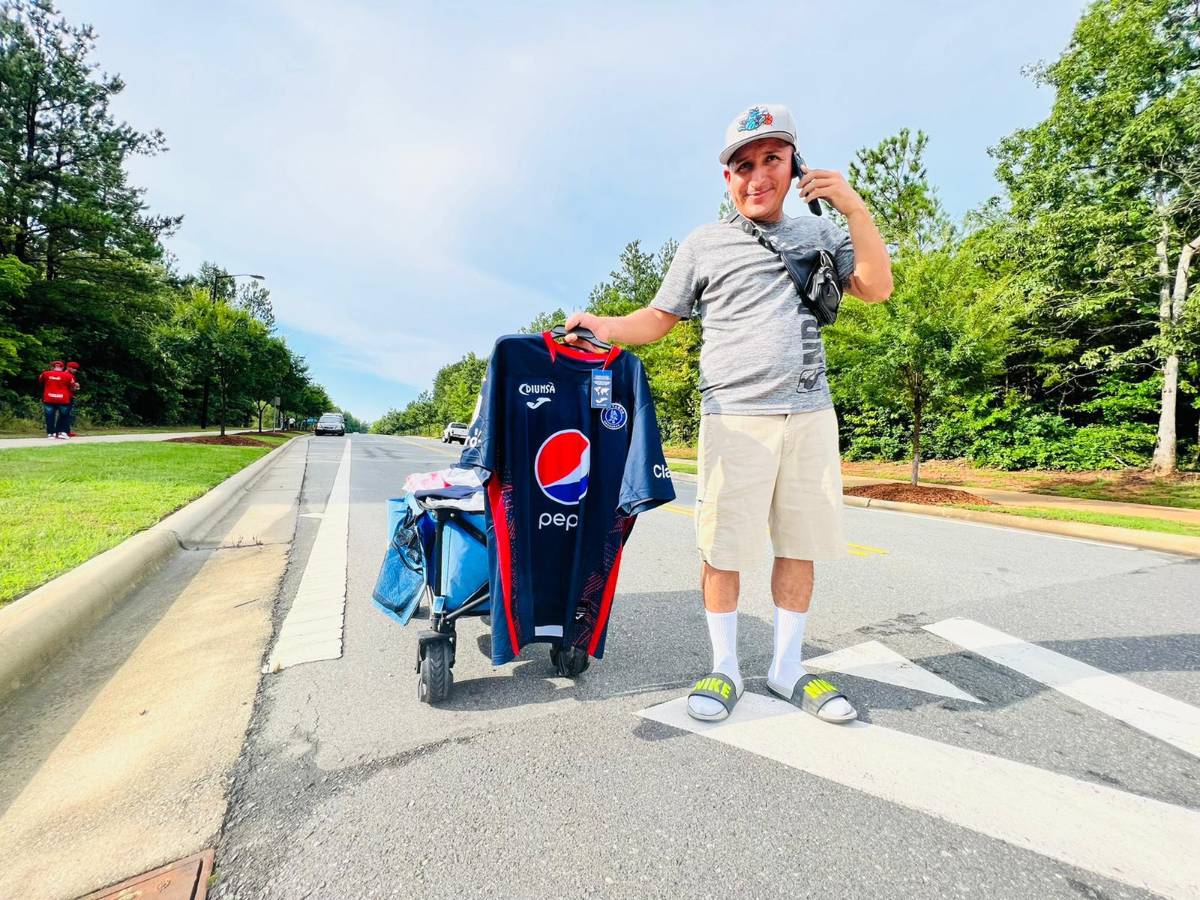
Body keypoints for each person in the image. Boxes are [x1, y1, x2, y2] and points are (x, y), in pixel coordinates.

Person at [565, 104, 892, 724]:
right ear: (727, 178)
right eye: (743, 165)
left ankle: (786, 668)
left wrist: (855, 208)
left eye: (772, 159)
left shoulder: (822, 234)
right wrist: (601, 325)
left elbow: (876, 286)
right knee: (723, 548)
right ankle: (726, 669)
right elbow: (657, 320)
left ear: (795, 167)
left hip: (809, 413)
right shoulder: (704, 243)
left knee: (799, 546)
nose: (757, 176)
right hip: (733, 417)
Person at [37, 360, 77, 439]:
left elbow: (40, 381)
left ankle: (51, 433)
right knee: (63, 416)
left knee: (49, 416)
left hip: (49, 398)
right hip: (63, 399)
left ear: (52, 367)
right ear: (62, 367)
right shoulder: (68, 376)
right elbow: (73, 387)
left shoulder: (45, 374)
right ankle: (62, 432)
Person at [65, 361, 81, 437]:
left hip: (64, 396)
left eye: (76, 368)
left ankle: (65, 431)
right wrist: (77, 387)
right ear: (68, 367)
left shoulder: (64, 374)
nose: (75, 370)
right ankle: (65, 432)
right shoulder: (69, 376)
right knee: (66, 414)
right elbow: (73, 388)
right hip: (67, 397)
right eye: (73, 368)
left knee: (65, 414)